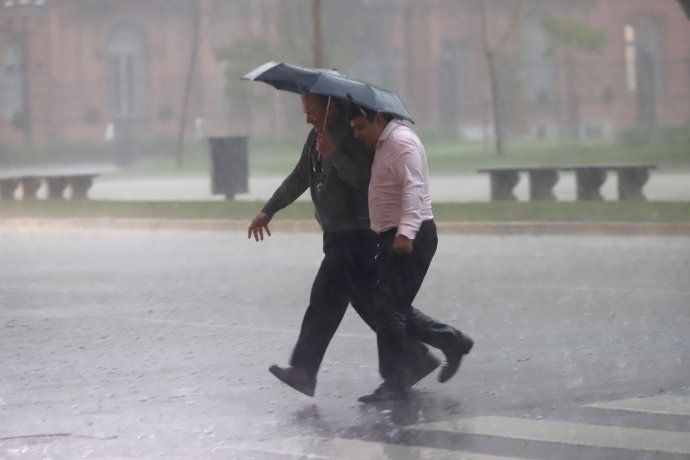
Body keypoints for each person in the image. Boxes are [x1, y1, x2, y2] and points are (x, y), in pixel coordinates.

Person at [247, 93, 439, 397]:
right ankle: (419, 355)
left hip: (356, 235)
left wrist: (335, 154)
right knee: (372, 304)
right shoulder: (315, 138)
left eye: (311, 111)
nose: (308, 118)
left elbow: (366, 180)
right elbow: (300, 176)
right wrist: (269, 209)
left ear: (330, 108)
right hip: (336, 234)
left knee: (325, 299)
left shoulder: (355, 134)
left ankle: (304, 370)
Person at [349, 106, 474, 403]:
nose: (357, 135)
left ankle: (395, 380)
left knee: (388, 310)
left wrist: (405, 232)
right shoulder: (383, 143)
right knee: (393, 308)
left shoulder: (401, 143)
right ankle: (452, 341)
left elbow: (414, 190)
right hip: (393, 236)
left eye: (360, 127)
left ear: (379, 119)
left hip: (411, 236)